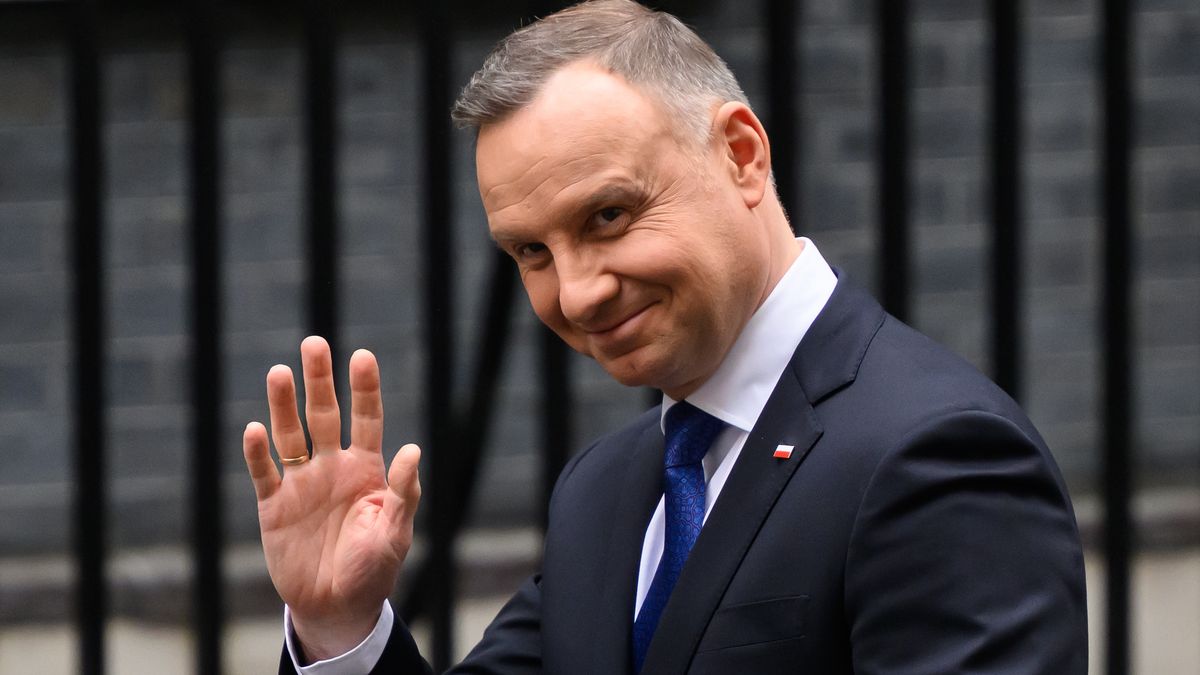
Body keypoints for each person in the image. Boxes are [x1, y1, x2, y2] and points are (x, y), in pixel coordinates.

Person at [241, 1, 1088, 673]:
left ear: (742, 154)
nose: (577, 291)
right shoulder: (603, 490)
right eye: (532, 252)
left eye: (608, 215)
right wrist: (337, 624)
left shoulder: (937, 455)